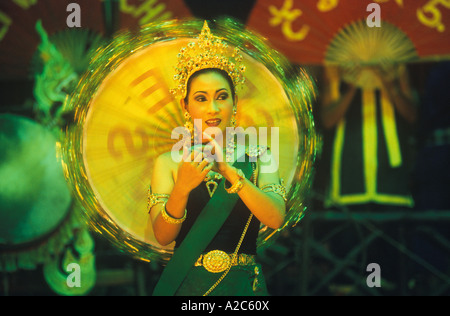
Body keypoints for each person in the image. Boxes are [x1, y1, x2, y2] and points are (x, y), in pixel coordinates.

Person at [147, 21, 286, 296]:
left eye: (222, 97)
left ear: (235, 102)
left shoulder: (260, 157)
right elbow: (163, 237)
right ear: (185, 105)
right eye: (201, 98)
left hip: (243, 290)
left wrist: (233, 175)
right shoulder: (170, 163)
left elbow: (276, 218)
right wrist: (182, 188)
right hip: (186, 286)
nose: (213, 108)